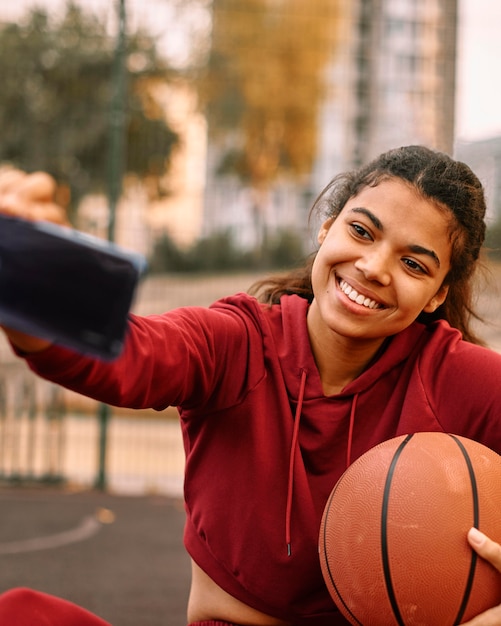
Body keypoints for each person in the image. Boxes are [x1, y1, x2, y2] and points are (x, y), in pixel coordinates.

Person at [1, 145, 501, 626]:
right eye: (361, 231)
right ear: (327, 229)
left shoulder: (460, 381)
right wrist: (38, 279)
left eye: (413, 264)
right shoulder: (237, 344)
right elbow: (130, 356)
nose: (374, 268)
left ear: (438, 294)